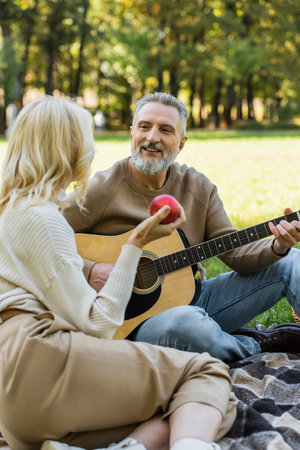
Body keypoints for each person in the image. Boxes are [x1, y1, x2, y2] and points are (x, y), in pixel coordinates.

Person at [0, 96, 237, 450]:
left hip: (15, 405)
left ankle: (128, 447)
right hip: (40, 357)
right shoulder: (46, 219)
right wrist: (135, 244)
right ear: (68, 148)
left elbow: (50, 266)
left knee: (175, 409)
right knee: (206, 374)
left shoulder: (13, 208)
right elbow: (97, 323)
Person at [63, 92, 300, 363]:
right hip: (131, 324)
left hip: (197, 299)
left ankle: (218, 340)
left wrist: (277, 246)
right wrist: (89, 269)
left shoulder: (198, 187)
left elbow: (235, 252)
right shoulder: (100, 189)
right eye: (144, 127)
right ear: (132, 134)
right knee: (187, 325)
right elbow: (39, 236)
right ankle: (258, 343)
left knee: (292, 262)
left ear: (181, 143)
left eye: (165, 130)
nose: (152, 137)